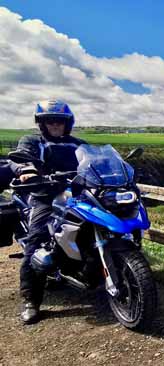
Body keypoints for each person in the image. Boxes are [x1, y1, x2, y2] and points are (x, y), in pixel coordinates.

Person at [13, 100, 86, 324]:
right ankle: (31, 301)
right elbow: (22, 158)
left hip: (75, 194)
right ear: (42, 124)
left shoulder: (77, 144)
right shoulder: (33, 141)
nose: (55, 125)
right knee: (36, 241)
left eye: (60, 121)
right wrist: (28, 170)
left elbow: (94, 160)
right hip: (44, 195)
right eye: (49, 121)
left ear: (68, 123)